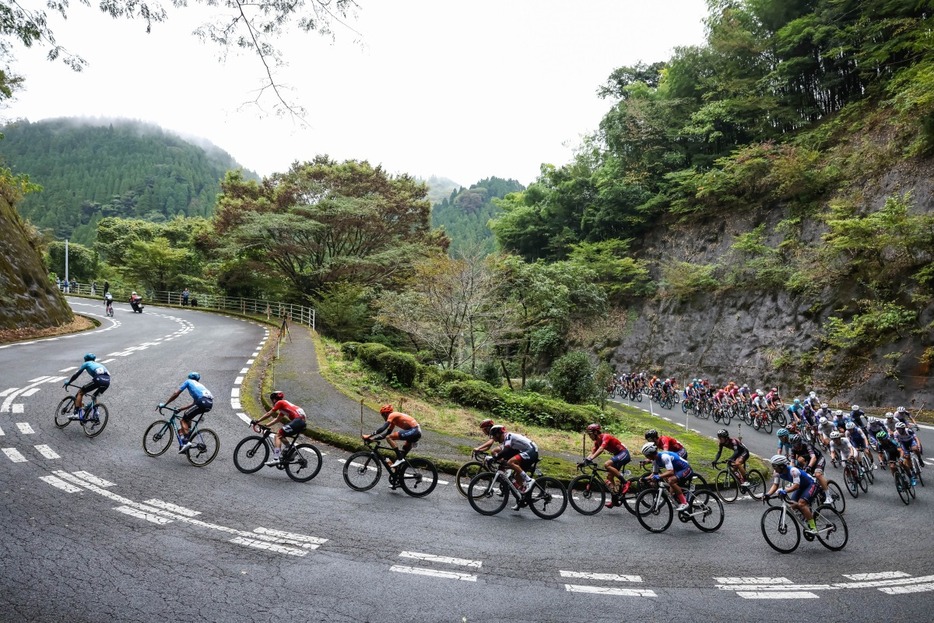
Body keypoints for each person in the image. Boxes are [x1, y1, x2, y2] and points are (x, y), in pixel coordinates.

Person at [159, 372, 214, 453]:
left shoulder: (188, 381)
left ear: (189, 377)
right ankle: (186, 440)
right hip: (209, 403)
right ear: (197, 380)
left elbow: (176, 393)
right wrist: (180, 409)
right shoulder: (200, 386)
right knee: (187, 419)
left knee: (183, 420)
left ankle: (186, 443)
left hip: (202, 402)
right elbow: (193, 404)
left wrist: (165, 404)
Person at [764, 455, 819, 533]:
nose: (774, 468)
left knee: (801, 504)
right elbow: (775, 485)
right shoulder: (776, 472)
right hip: (801, 486)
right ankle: (808, 515)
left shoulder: (793, 471)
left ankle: (813, 527)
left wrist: (785, 491)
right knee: (792, 505)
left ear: (782, 466)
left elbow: (796, 486)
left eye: (775, 466)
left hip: (810, 484)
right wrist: (767, 494)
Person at [581, 423, 632, 507]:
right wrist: (585, 462)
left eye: (590, 434)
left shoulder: (605, 437)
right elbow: (592, 453)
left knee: (607, 464)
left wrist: (590, 459)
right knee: (609, 478)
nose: (589, 436)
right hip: (617, 455)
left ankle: (626, 483)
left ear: (595, 432)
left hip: (624, 453)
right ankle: (615, 500)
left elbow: (601, 449)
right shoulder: (597, 442)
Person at [252, 390, 307, 466]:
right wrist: (266, 425)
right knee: (281, 435)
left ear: (274, 399)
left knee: (278, 435)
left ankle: (276, 459)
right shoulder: (284, 406)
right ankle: (290, 450)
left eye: (272, 400)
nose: (272, 402)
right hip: (300, 422)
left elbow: (269, 414)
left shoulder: (280, 403)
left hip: (298, 421)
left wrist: (257, 421)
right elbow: (277, 419)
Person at [488, 424, 538, 496]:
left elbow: (505, 450)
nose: (494, 439)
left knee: (510, 462)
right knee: (517, 475)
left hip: (532, 450)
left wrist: (495, 458)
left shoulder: (508, 436)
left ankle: (529, 480)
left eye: (493, 436)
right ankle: (521, 497)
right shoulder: (505, 440)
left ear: (497, 434)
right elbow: (508, 453)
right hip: (526, 451)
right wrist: (497, 458)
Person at [641, 441, 692, 512]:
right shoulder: (655, 460)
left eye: (646, 456)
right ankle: (680, 498)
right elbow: (654, 473)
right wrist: (646, 479)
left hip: (685, 468)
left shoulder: (664, 457)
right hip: (677, 470)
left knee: (671, 480)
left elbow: (671, 472)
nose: (646, 458)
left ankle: (684, 503)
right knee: (670, 489)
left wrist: (658, 476)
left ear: (651, 454)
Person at [62, 353, 111, 419]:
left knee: (81, 392)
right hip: (107, 382)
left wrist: (69, 382)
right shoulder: (99, 364)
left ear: (85, 359)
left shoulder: (86, 363)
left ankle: (76, 414)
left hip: (98, 380)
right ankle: (95, 413)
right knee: (94, 396)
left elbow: (77, 374)